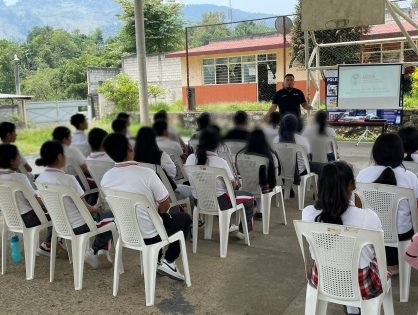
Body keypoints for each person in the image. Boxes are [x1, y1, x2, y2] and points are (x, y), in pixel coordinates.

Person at [101, 133, 192, 281]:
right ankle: (169, 261)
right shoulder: (147, 173)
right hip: (151, 235)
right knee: (184, 219)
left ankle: (157, 260)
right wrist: (157, 212)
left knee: (162, 219)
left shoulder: (106, 177)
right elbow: (165, 204)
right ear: (130, 148)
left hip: (126, 233)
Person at [302, 161, 385, 315]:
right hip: (360, 285)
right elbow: (378, 252)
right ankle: (354, 309)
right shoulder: (368, 217)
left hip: (322, 279)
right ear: (352, 185)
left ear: (320, 186)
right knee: (372, 260)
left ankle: (352, 309)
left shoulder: (307, 214)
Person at [35, 140, 113, 268]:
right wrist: (96, 209)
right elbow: (84, 207)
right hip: (80, 225)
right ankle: (94, 251)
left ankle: (96, 250)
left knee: (102, 216)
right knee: (112, 218)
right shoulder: (69, 179)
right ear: (60, 157)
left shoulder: (40, 179)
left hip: (60, 226)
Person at [356, 133, 418, 274]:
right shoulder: (410, 177)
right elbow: (415, 208)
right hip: (401, 234)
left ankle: (377, 260)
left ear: (375, 152)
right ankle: (395, 263)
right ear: (400, 153)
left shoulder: (363, 174)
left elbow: (358, 206)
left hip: (371, 231)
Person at [185, 128, 255, 238]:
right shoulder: (220, 162)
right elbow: (232, 186)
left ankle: (227, 226)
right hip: (221, 202)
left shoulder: (190, 158)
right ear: (217, 144)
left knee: (217, 193)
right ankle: (243, 232)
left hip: (199, 200)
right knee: (249, 198)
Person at [0, 143, 51, 256]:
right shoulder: (19, 177)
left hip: (10, 219)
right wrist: (49, 202)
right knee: (57, 214)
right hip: (29, 219)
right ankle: (48, 245)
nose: (20, 159)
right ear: (12, 161)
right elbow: (34, 200)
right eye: (18, 156)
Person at [134, 127, 193, 205]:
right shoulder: (161, 155)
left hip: (145, 196)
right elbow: (172, 173)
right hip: (167, 195)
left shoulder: (134, 159)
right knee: (194, 191)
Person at [236, 129, 281, 220]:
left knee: (258, 180)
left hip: (246, 186)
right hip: (264, 188)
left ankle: (257, 209)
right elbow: (276, 175)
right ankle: (260, 211)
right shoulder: (270, 155)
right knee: (263, 180)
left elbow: (239, 172)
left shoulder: (241, 154)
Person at [273, 114, 323, 179]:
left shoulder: (275, 140)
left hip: (281, 172)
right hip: (300, 172)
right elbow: (308, 158)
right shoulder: (302, 140)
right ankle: (322, 188)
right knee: (322, 166)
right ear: (295, 125)